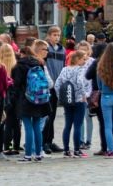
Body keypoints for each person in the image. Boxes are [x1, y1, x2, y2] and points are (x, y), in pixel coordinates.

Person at [54, 49, 91, 157]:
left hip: (67, 100)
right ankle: (76, 149)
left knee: (68, 125)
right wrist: (84, 95)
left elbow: (57, 84)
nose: (85, 62)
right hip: (79, 100)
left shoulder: (65, 69)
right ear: (77, 59)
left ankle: (66, 149)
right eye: (83, 59)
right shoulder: (80, 69)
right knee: (78, 126)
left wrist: (60, 97)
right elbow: (80, 81)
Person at [94, 42, 113, 158]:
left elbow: (99, 85)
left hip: (106, 97)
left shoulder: (101, 66)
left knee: (108, 125)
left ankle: (110, 150)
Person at [41, 26, 66, 154]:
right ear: (49, 35)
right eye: (54, 35)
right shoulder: (45, 48)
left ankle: (50, 141)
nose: (57, 37)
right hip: (48, 86)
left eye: (58, 35)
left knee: (53, 115)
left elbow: (63, 67)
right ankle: (43, 142)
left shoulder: (62, 50)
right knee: (47, 116)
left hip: (57, 86)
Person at [0, 38, 20, 155]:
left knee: (4, 122)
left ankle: (5, 145)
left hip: (3, 96)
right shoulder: (16, 66)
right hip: (15, 97)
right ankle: (16, 145)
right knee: (15, 123)